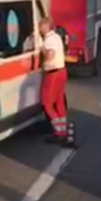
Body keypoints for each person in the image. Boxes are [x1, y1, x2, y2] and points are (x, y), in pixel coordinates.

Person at [38, 16, 68, 144]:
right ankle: (63, 129)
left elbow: (50, 56)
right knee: (59, 103)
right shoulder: (56, 37)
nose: (39, 28)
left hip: (53, 74)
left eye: (41, 26)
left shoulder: (49, 40)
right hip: (61, 72)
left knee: (47, 104)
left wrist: (42, 49)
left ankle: (58, 132)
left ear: (46, 26)